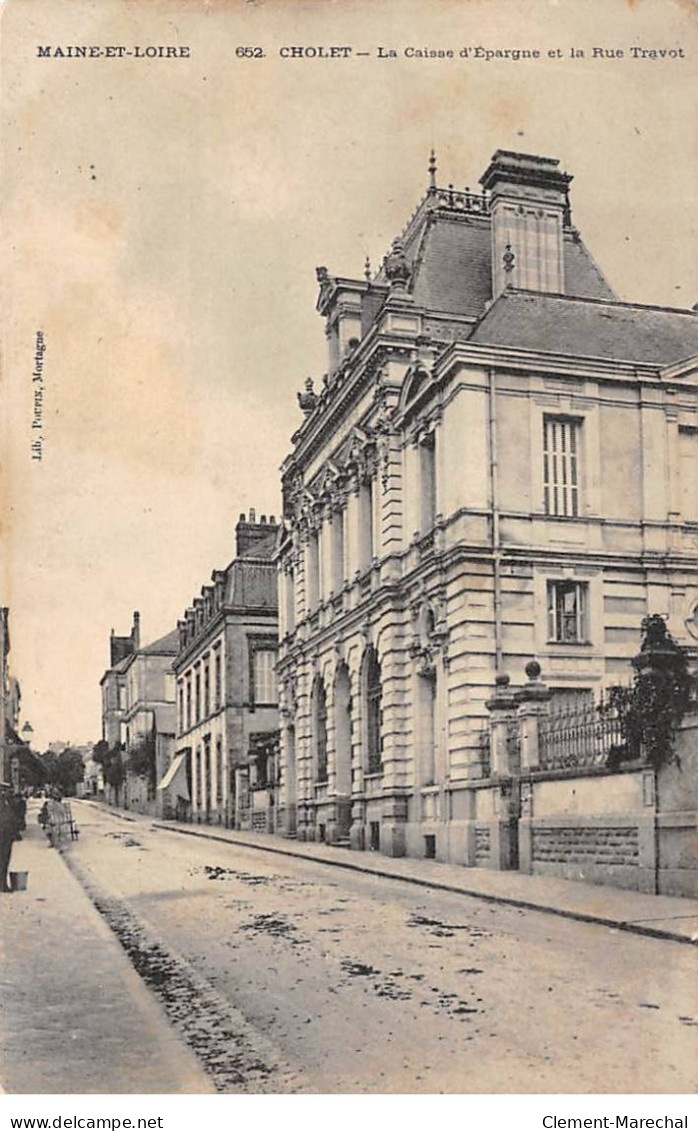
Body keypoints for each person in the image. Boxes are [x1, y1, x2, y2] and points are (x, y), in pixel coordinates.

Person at [0, 785, 19, 893]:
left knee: (4, 861)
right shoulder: (3, 805)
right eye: (5, 791)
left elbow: (12, 818)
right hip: (3, 836)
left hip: (7, 836)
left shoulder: (7, 803)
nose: (7, 793)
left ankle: (3, 884)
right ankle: (2, 885)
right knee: (3, 861)